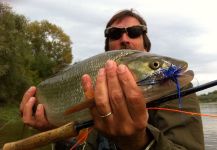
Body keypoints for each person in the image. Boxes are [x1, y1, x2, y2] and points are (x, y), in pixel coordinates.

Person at [20, 9, 204, 150]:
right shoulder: (92, 79)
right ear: (108, 52)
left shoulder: (177, 89)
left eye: (134, 32)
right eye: (115, 34)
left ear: (146, 47)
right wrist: (55, 132)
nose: (125, 38)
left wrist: (138, 141)